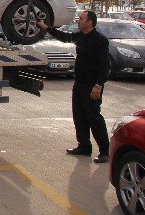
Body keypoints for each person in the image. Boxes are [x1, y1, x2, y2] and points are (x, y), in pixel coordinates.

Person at [36, 10, 110, 163]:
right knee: (79, 116)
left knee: (94, 118)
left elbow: (104, 66)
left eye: (81, 18)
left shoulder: (99, 40)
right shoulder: (81, 36)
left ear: (90, 22)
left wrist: (98, 85)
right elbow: (64, 37)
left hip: (92, 85)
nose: (78, 20)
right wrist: (46, 27)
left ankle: (104, 151)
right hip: (79, 83)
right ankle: (84, 146)